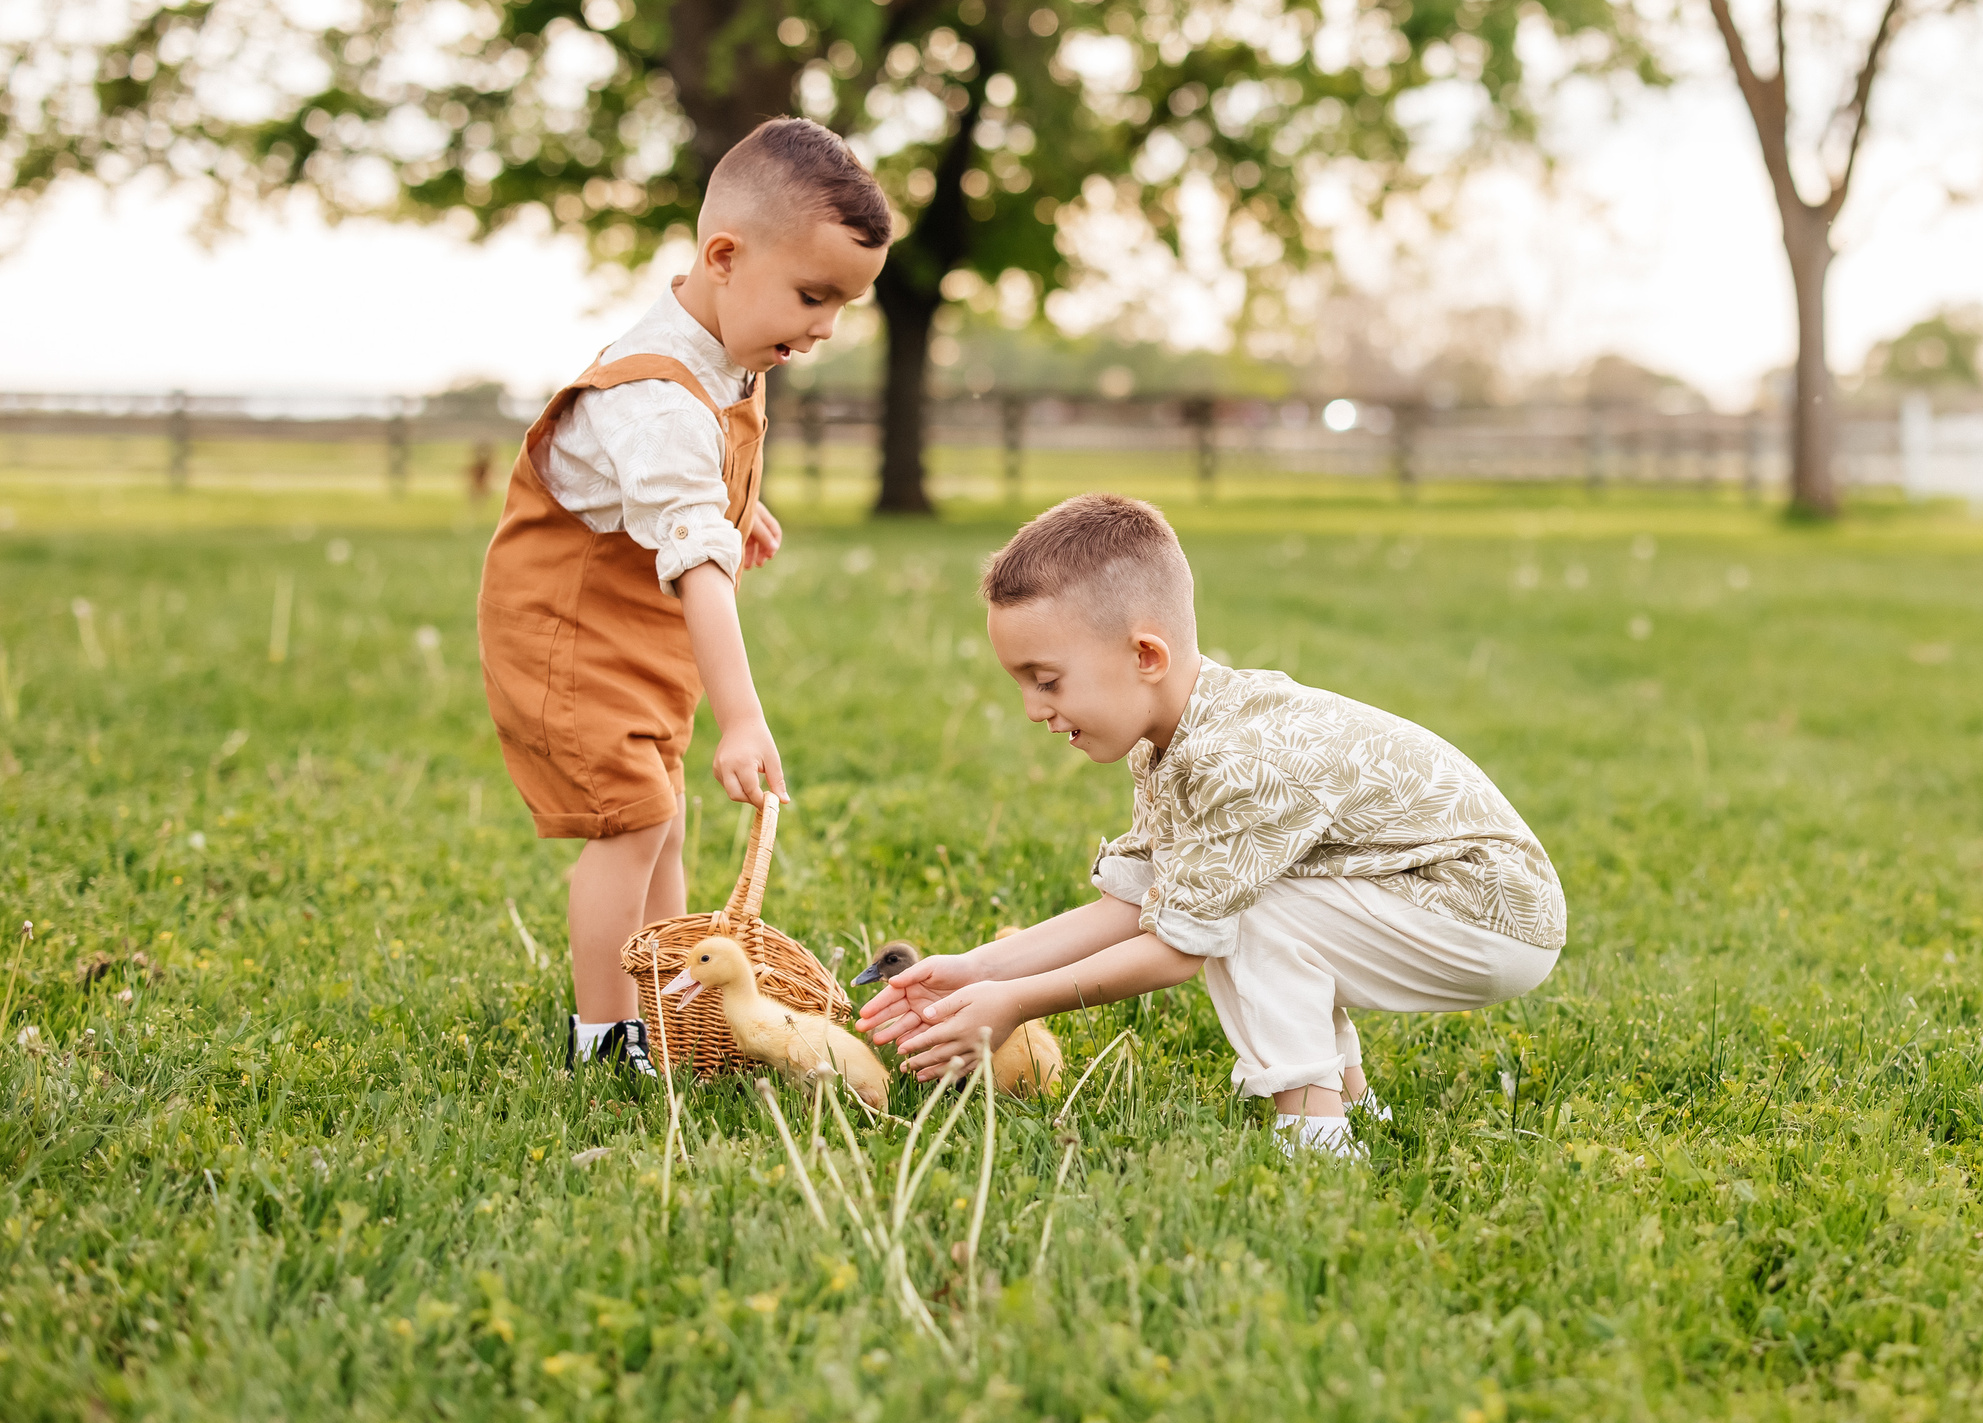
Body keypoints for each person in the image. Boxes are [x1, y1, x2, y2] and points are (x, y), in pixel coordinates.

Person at [856, 493, 1567, 1155]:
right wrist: (977, 969)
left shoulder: (1236, 762)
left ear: (1145, 656)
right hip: (1434, 894)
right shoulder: (1175, 734)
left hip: (1486, 910)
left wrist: (1014, 1001)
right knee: (1235, 898)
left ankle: (1317, 1137)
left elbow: (1177, 946)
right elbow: (1136, 901)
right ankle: (1356, 1105)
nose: (1033, 708)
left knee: (1239, 912)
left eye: (1047, 679)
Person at [477, 118, 891, 1076]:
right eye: (812, 295)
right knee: (632, 824)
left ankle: (674, 1005)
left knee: (662, 812)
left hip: (634, 626)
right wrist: (741, 719)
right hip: (571, 635)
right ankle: (605, 1037)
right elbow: (692, 552)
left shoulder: (729, 349)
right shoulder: (659, 398)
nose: (824, 327)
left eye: (843, 305)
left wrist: (740, 507)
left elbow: (680, 493)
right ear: (724, 256)